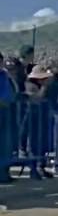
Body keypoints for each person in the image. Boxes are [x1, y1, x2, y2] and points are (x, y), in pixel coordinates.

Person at [25, 65, 54, 179]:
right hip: (33, 118)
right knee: (33, 143)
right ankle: (33, 168)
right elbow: (37, 98)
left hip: (43, 118)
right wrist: (44, 88)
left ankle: (41, 166)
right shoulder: (30, 86)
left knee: (42, 143)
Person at [0, 52, 15, 183]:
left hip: (3, 114)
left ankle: (3, 173)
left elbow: (7, 97)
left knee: (5, 145)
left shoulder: (4, 76)